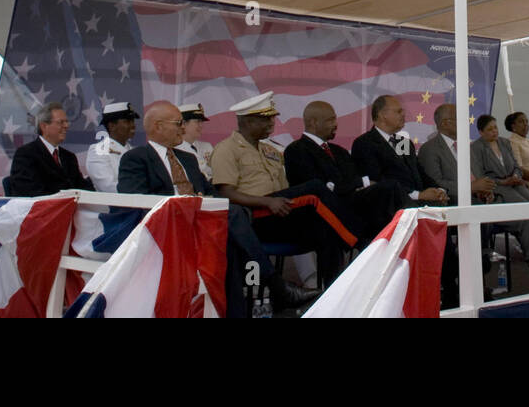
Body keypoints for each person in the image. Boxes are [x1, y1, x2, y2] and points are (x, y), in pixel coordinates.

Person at [117, 99, 318, 316]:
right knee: (235, 216)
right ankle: (276, 286)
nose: (183, 128)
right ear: (158, 126)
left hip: (203, 222)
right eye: (178, 123)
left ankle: (240, 310)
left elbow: (210, 192)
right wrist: (186, 204)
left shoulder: (188, 159)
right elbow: (136, 200)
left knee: (234, 232)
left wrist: (201, 201)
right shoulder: (136, 158)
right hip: (169, 224)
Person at [210, 92, 359, 284]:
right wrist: (267, 201)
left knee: (326, 229)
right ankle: (360, 239)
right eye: (266, 119)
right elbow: (224, 193)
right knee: (315, 186)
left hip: (279, 212)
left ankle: (330, 293)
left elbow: (285, 189)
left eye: (272, 117)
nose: (272, 123)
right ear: (247, 121)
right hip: (255, 217)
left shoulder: (270, 150)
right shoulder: (226, 149)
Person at [421, 105, 529, 290]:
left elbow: (478, 175)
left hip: (484, 201)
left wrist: (484, 189)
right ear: (445, 123)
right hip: (459, 206)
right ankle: (475, 287)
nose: (465, 122)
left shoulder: (466, 147)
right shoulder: (430, 149)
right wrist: (471, 188)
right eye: (459, 118)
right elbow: (435, 184)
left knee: (526, 219)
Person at [283, 100, 404, 238]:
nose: (335, 125)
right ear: (313, 123)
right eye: (330, 120)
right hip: (320, 213)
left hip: (350, 206)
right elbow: (318, 187)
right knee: (388, 189)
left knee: (388, 189)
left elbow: (350, 179)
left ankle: (396, 238)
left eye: (335, 119)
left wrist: (352, 185)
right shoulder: (296, 150)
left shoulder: (340, 152)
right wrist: (360, 183)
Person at [351, 95, 448, 205]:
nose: (403, 114)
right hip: (392, 207)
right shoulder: (365, 143)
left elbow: (419, 173)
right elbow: (377, 182)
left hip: (419, 203)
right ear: (382, 115)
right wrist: (418, 195)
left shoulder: (403, 143)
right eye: (398, 111)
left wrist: (439, 190)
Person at [7, 102, 95, 196]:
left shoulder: (69, 157)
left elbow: (82, 187)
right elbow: (28, 191)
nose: (66, 126)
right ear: (44, 126)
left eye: (66, 122)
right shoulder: (26, 154)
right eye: (61, 122)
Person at [86, 102, 139, 194]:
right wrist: (140, 192)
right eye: (127, 121)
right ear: (112, 126)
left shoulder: (136, 152)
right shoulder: (99, 150)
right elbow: (107, 186)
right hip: (111, 207)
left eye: (133, 121)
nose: (133, 125)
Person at [175, 103, 214, 182]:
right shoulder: (173, 149)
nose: (201, 125)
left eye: (202, 122)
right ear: (183, 123)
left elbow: (218, 172)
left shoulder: (207, 147)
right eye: (198, 121)